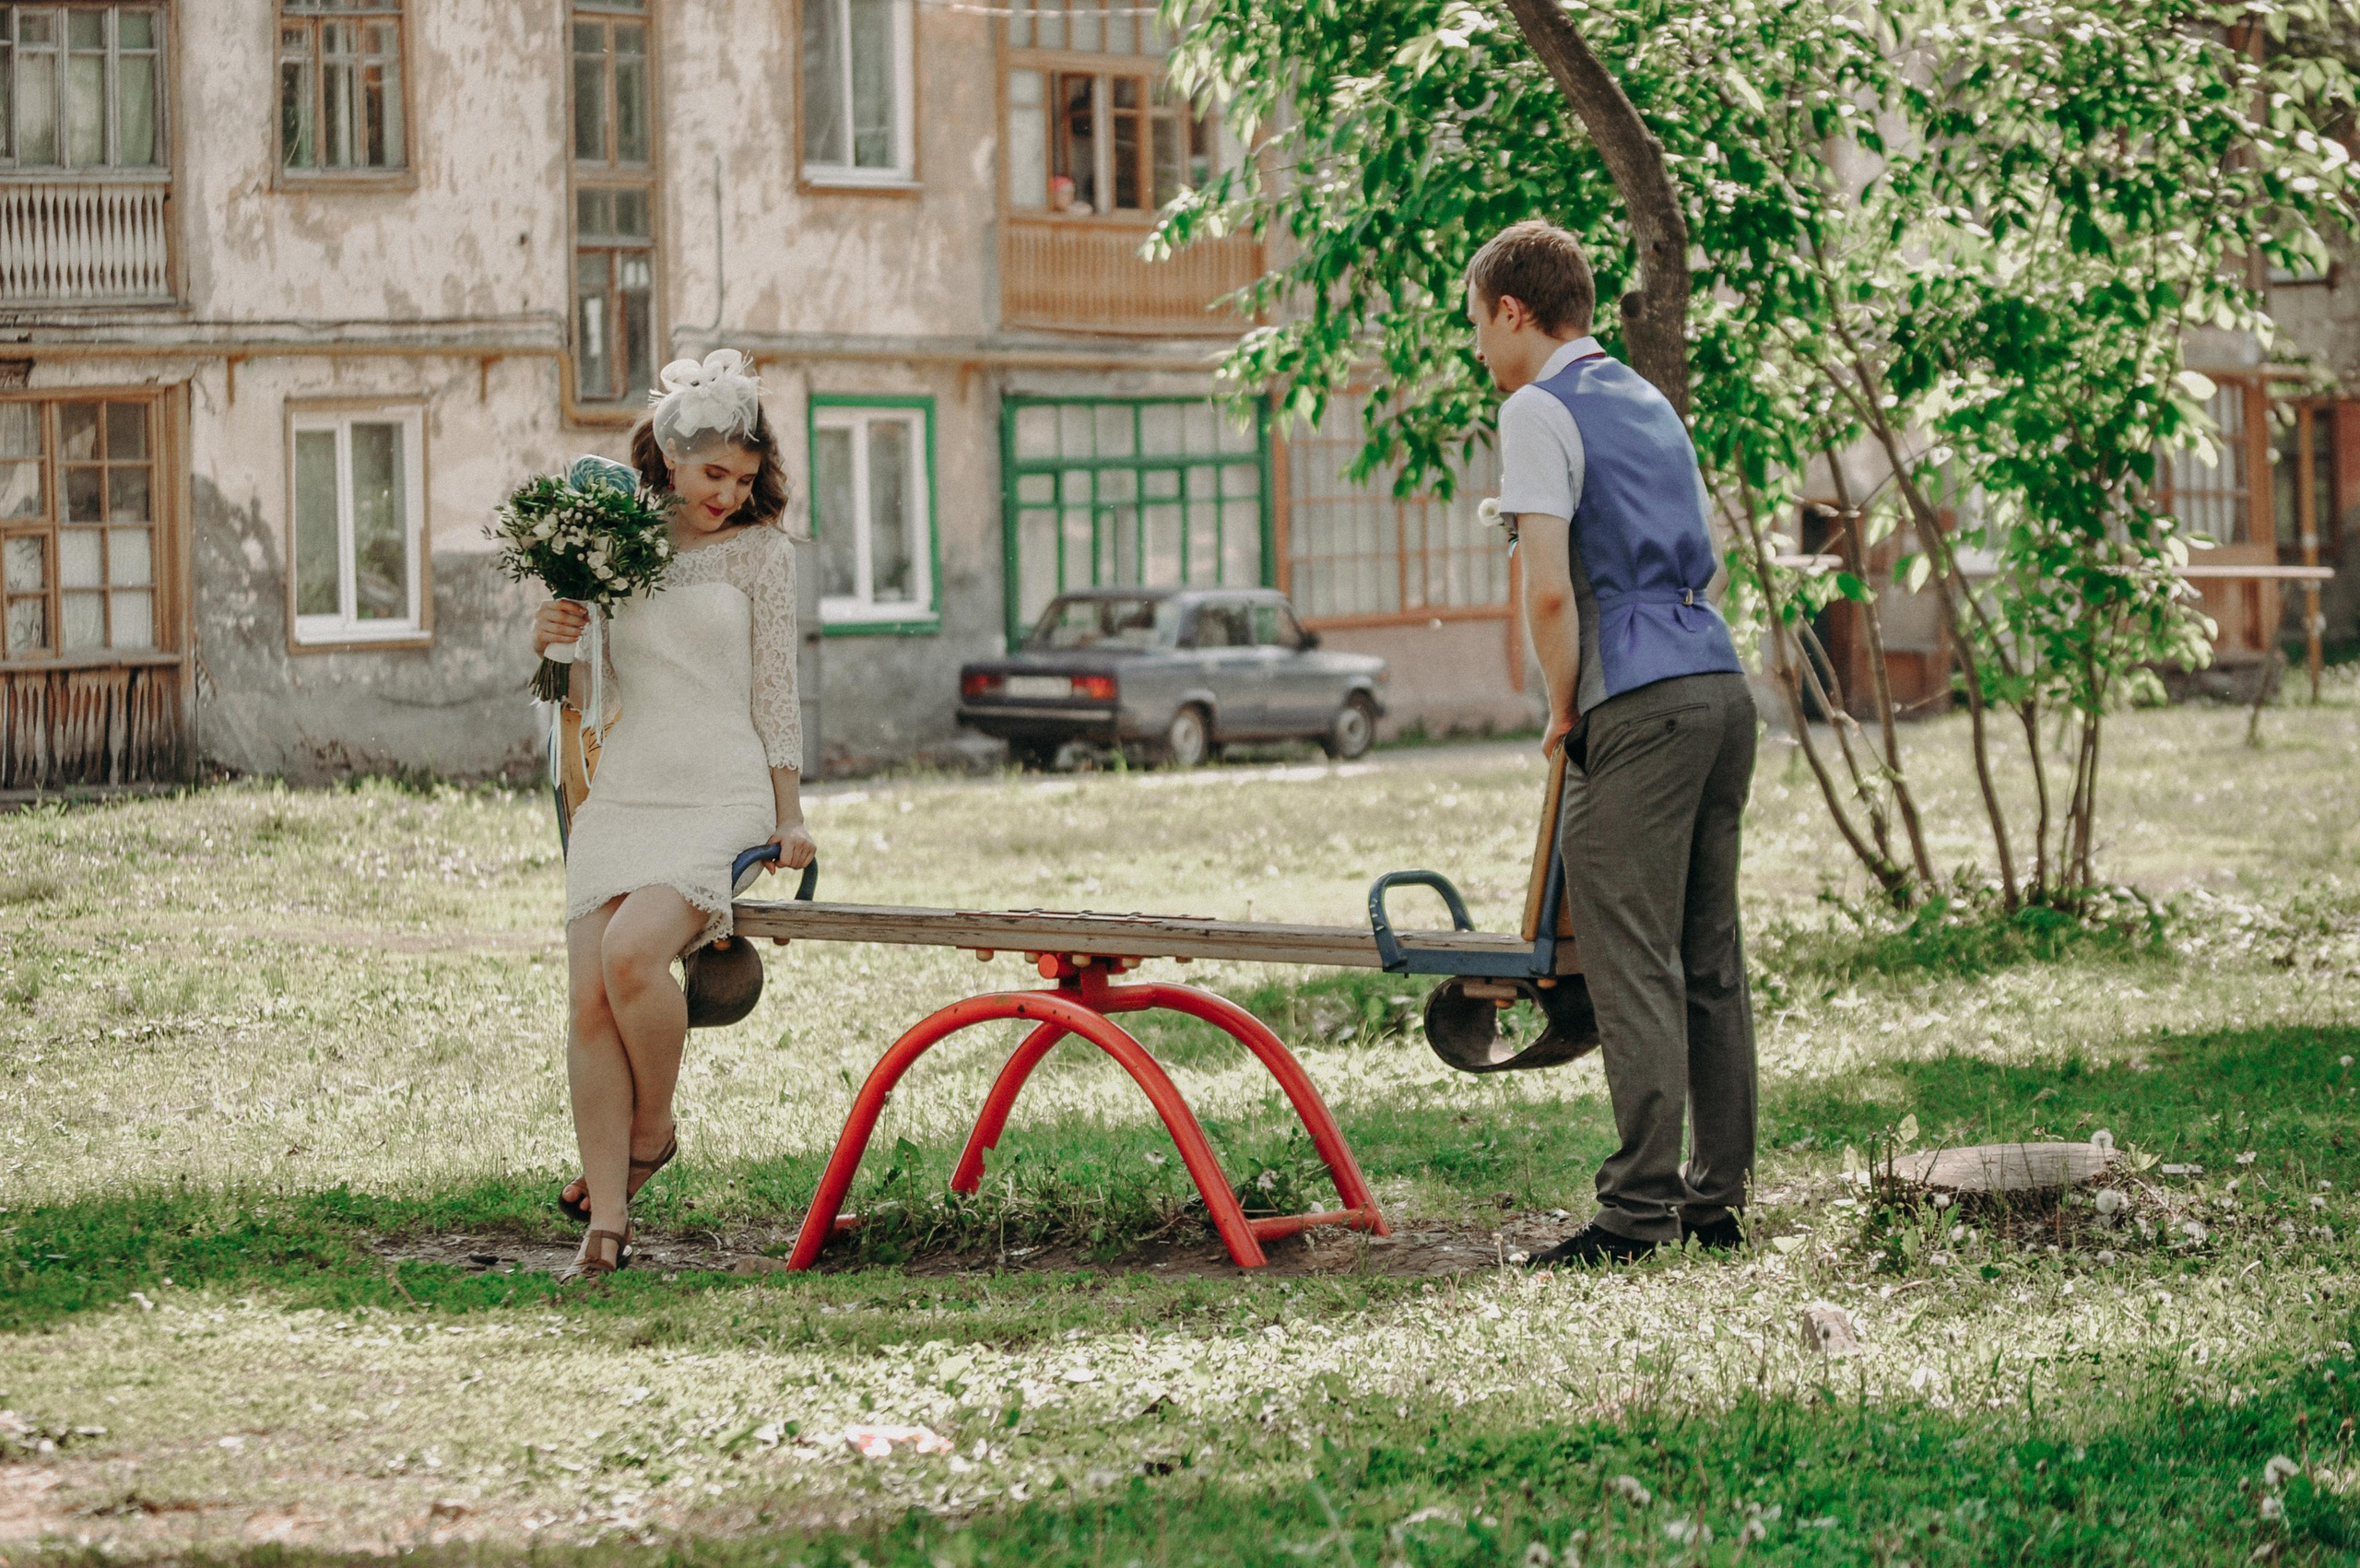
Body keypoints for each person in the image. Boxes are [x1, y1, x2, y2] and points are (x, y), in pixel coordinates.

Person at [1465, 220, 1759, 1267]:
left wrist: (1561, 705)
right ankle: (1712, 1201)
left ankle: (1635, 1213)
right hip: (1720, 688)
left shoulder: (1536, 408)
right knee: (1707, 958)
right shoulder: (1646, 401)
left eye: (1478, 326)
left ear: (1512, 309)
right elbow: (1701, 560)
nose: (1479, 352)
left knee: (1631, 957)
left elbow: (1549, 586)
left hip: (1633, 700)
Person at [531, 349, 818, 1279]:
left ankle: (653, 1124)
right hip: (627, 788)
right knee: (586, 1002)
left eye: (743, 478)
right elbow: (572, 689)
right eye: (712, 474)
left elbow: (774, 689)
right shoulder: (614, 544)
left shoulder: (761, 555)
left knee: (629, 956)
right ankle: (606, 1224)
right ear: (668, 457)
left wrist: (790, 813)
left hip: (721, 794)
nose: (728, 494)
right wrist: (552, 635)